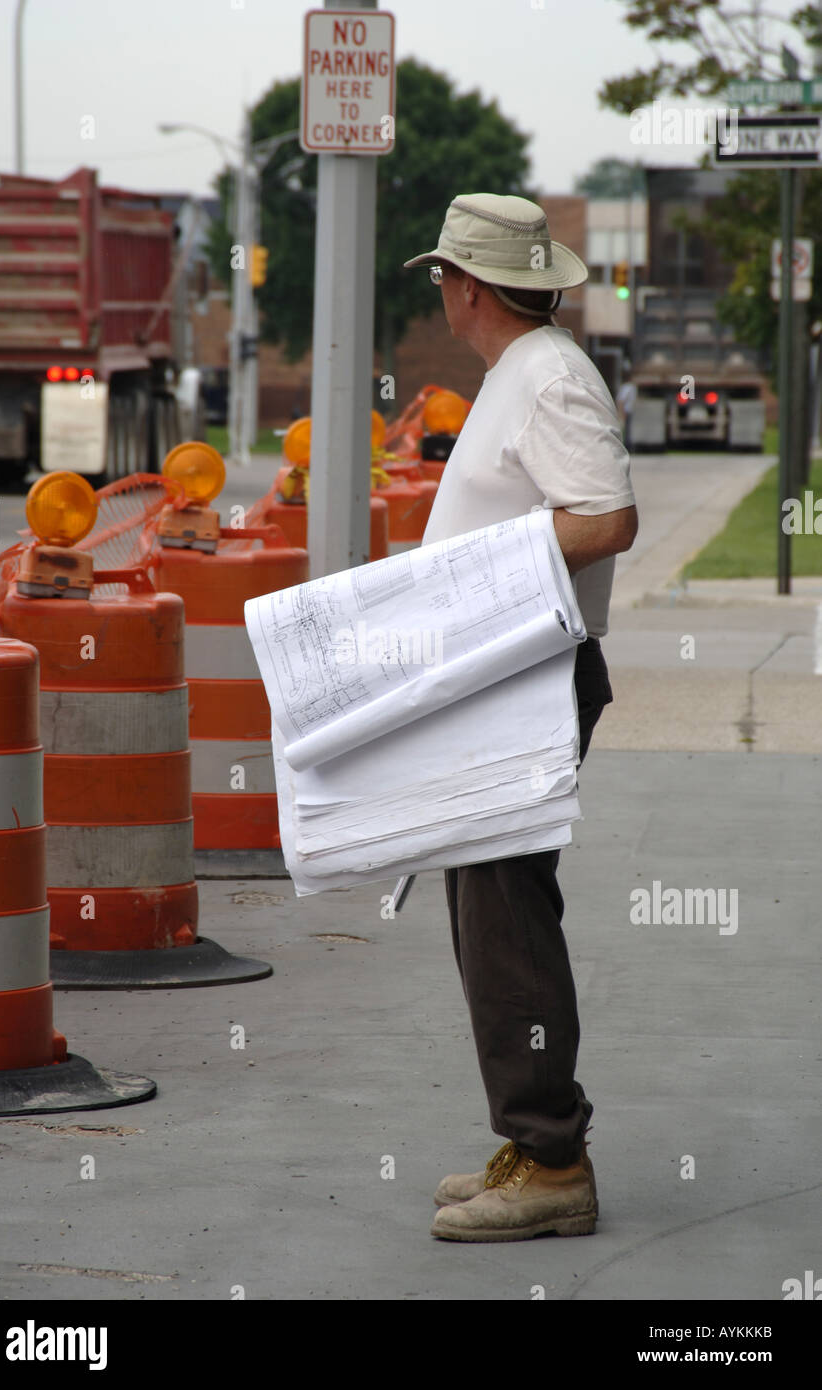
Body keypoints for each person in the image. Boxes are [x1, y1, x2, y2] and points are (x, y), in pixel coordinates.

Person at [403, 193, 638, 1243]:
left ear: (466, 285)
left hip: (528, 680)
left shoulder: (544, 377)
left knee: (505, 919)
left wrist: (476, 577)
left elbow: (607, 517)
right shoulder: (523, 373)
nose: (442, 290)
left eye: (445, 275)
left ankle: (550, 1159)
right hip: (504, 681)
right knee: (490, 910)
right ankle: (531, 1136)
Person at [616, 372, 637, 451]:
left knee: (627, 430)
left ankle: (627, 445)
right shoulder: (629, 387)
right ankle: (626, 446)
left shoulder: (627, 387)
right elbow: (621, 401)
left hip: (628, 410)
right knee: (625, 430)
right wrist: (621, 412)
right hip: (626, 411)